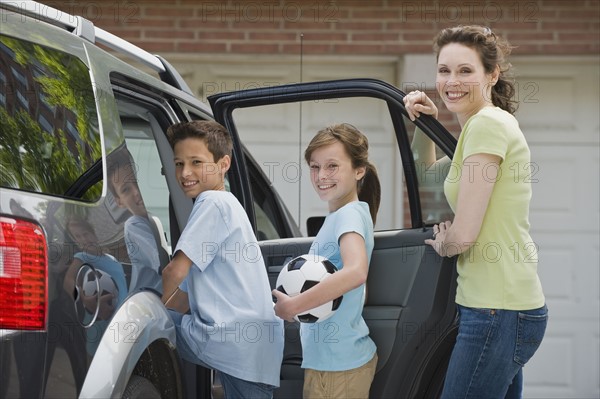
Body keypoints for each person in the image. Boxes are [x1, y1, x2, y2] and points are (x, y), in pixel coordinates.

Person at [403, 25, 547, 398]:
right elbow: (426, 173)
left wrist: (444, 244)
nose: (452, 81)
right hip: (498, 309)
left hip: (496, 310)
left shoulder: (487, 125)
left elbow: (463, 234)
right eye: (444, 70)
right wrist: (426, 123)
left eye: (465, 71)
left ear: (492, 74)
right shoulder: (477, 130)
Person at [161, 120, 283, 399]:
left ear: (224, 164)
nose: (185, 172)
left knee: (137, 328)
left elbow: (174, 271)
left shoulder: (212, 203)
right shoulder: (228, 203)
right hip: (250, 343)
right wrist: (164, 307)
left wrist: (150, 311)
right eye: (179, 163)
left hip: (232, 341)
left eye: (196, 162)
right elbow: (183, 297)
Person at [272, 123, 380, 399]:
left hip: (338, 365)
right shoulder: (344, 215)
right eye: (314, 166)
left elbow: (356, 272)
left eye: (332, 166)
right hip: (331, 361)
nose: (321, 176)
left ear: (359, 170)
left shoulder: (348, 216)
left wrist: (293, 307)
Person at [107, 147, 166, 293]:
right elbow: (165, 265)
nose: (136, 192)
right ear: (119, 201)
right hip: (156, 307)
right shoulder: (134, 225)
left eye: (137, 182)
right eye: (126, 189)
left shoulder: (161, 218)